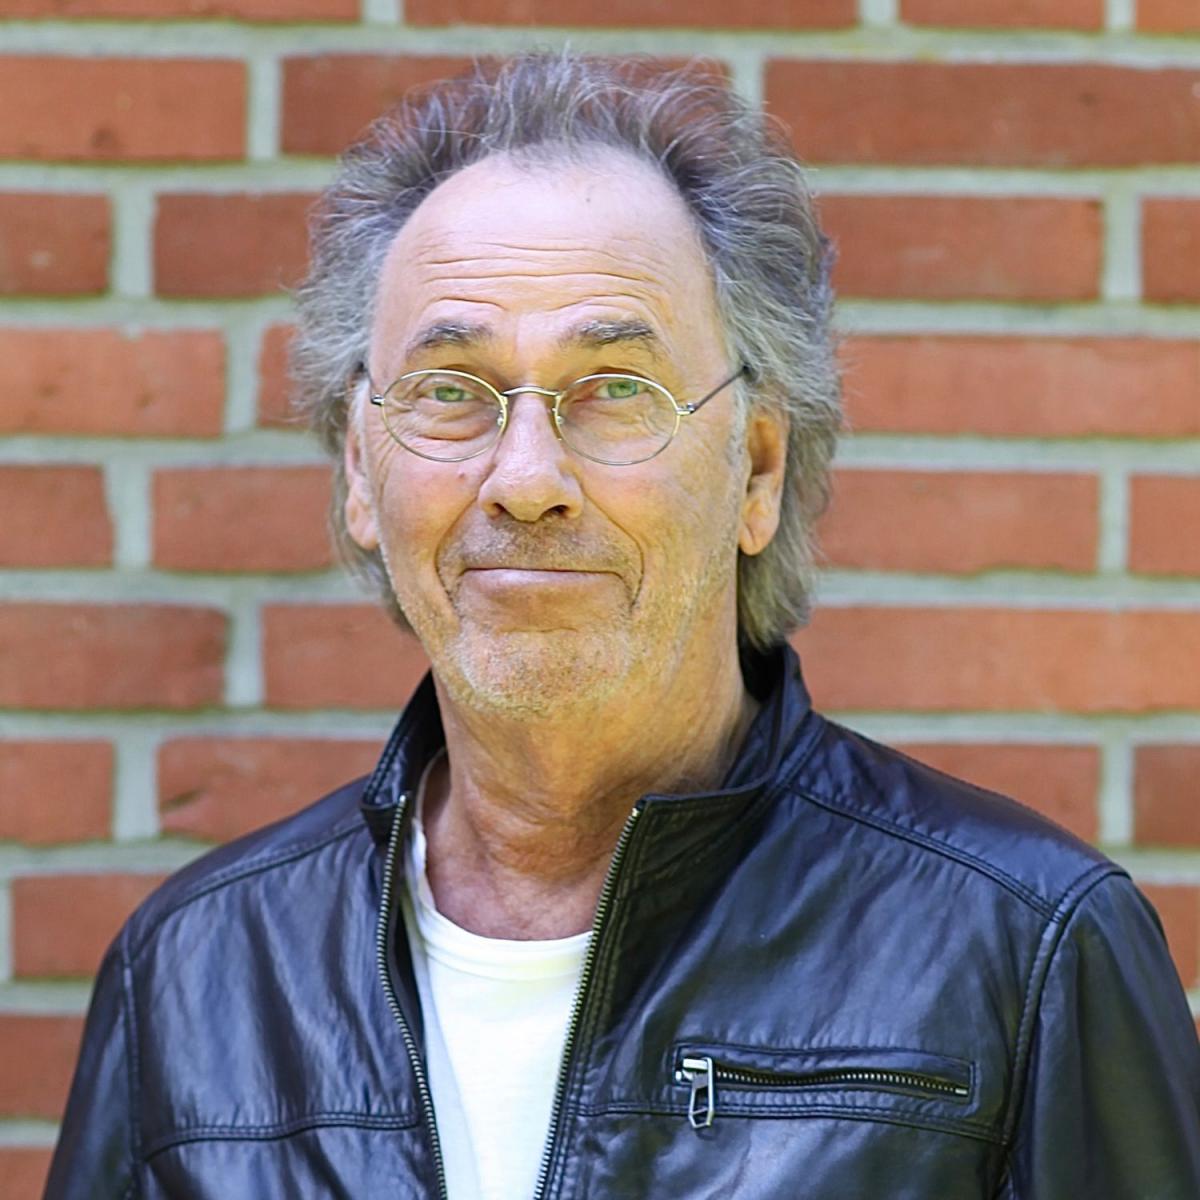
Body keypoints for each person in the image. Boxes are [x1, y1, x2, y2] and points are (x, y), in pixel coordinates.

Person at [46, 52, 1199, 1199]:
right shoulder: (192, 976)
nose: (525, 480)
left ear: (756, 467)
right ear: (360, 465)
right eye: (451, 391)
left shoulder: (1023, 949)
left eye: (615, 390)